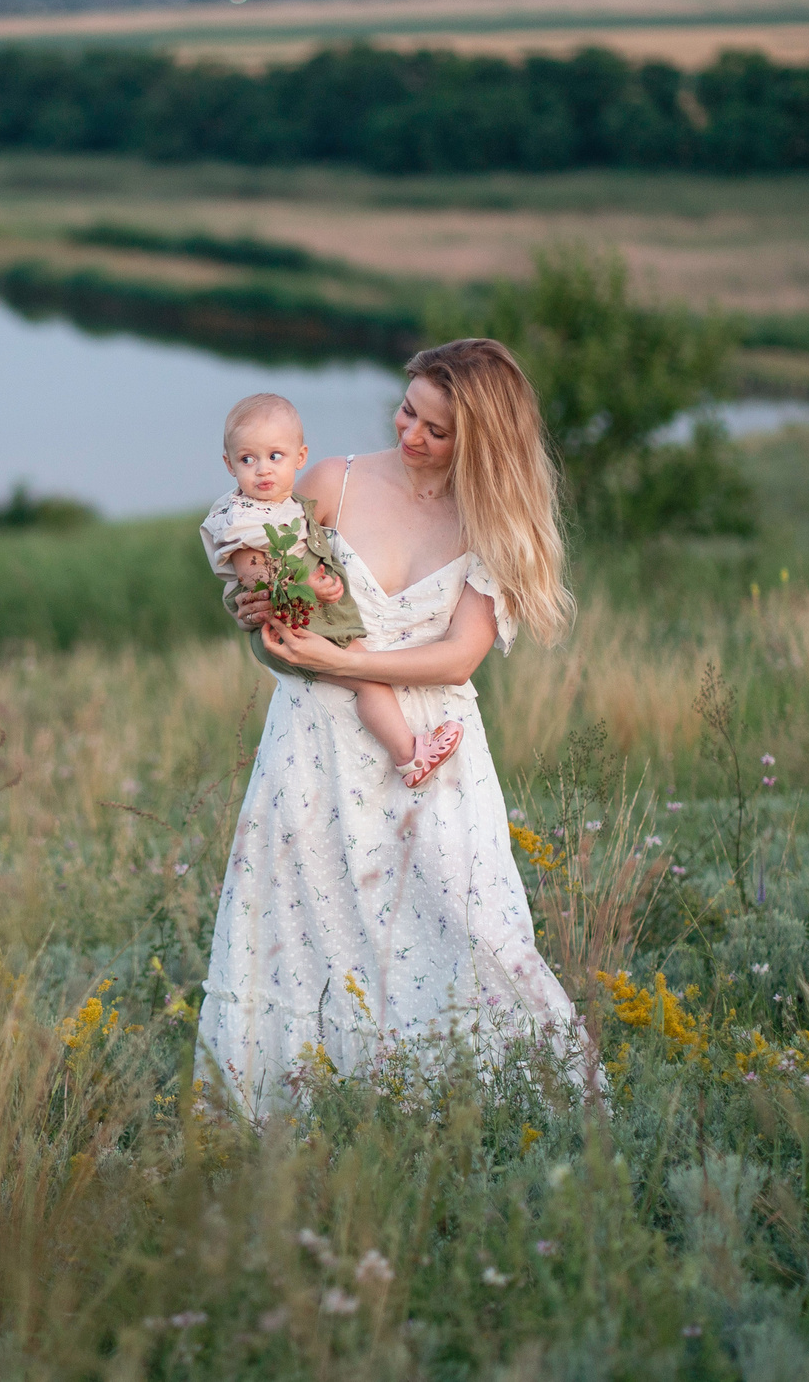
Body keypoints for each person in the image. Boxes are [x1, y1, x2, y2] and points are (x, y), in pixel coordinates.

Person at [196, 339, 585, 1116]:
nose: (410, 434)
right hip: (314, 743)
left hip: (431, 751)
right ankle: (306, 1116)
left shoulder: (490, 524)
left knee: (475, 929)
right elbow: (277, 617)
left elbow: (458, 657)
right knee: (305, 930)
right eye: (408, 411)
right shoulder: (330, 481)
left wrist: (344, 662)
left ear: (479, 441)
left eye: (436, 430)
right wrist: (259, 617)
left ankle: (493, 1109)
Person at [198, 392, 464, 788]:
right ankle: (409, 754)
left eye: (274, 456)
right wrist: (306, 586)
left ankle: (408, 752)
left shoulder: (287, 504)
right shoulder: (241, 516)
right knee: (367, 680)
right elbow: (256, 576)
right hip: (294, 622)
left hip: (305, 618)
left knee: (363, 677)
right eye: (247, 460)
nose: (262, 470)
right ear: (229, 464)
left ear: (299, 456)